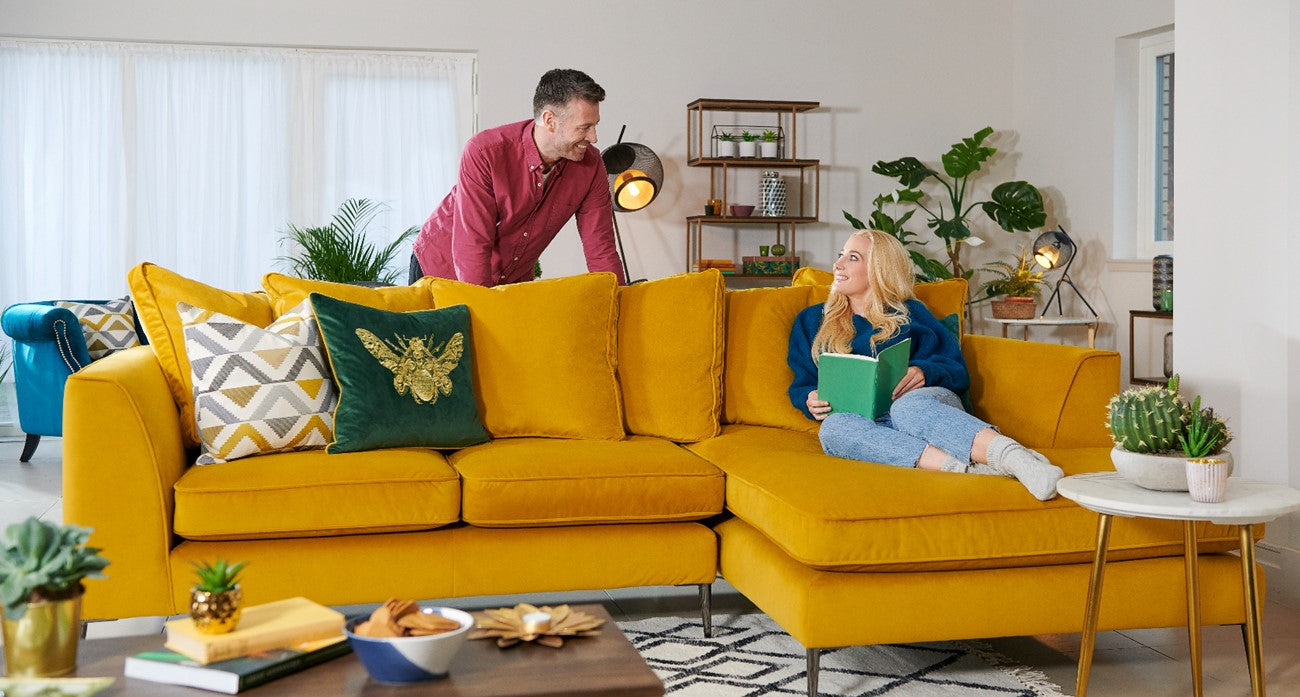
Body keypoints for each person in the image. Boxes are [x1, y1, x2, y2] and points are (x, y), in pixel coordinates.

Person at [787, 229, 1064, 500]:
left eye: (853, 257)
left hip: (922, 407)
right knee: (833, 429)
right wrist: (809, 398)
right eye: (841, 255)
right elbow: (802, 383)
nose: (838, 264)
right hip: (870, 426)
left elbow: (955, 369)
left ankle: (1016, 458)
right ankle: (967, 470)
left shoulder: (910, 313)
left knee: (907, 407)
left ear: (879, 269)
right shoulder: (812, 321)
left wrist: (924, 371)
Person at [410, 68, 624, 287]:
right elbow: (473, 245)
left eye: (595, 125)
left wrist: (619, 304)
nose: (594, 137)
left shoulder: (591, 164)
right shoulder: (485, 152)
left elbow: (601, 247)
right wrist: (482, 307)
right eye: (584, 127)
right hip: (442, 269)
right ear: (550, 120)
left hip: (510, 278)